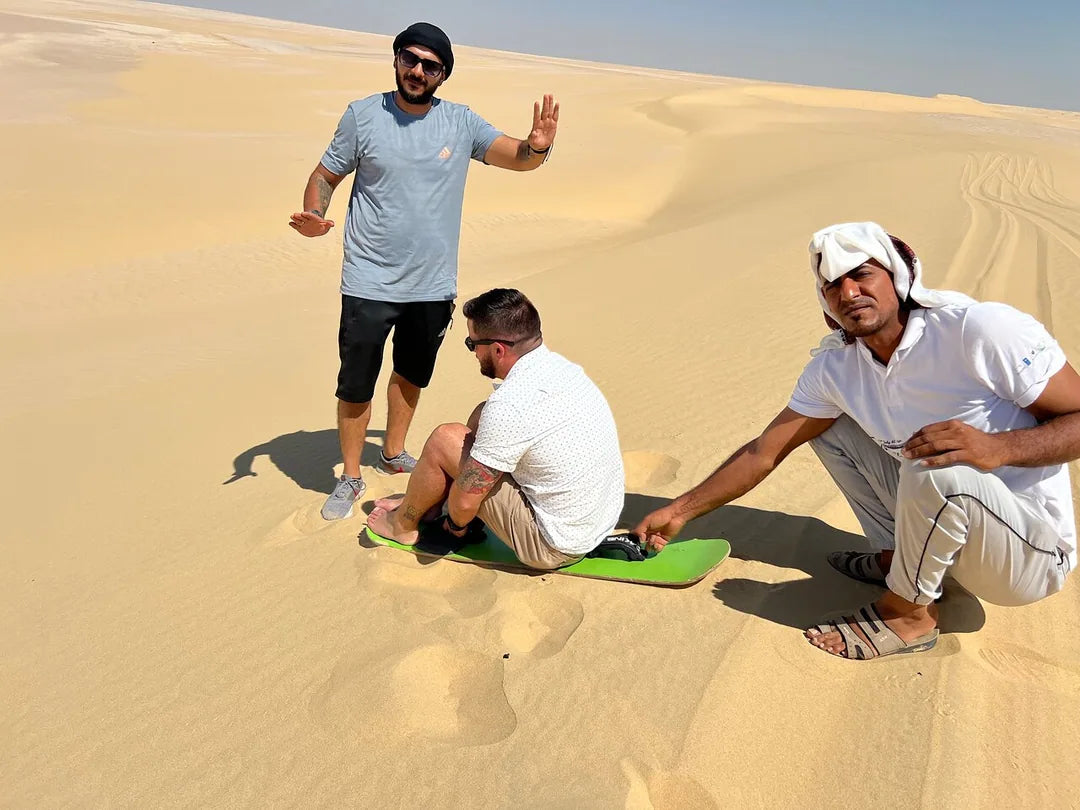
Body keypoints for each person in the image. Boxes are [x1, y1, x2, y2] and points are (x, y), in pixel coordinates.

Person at [633, 221, 1079, 660]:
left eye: (861, 274)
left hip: (1028, 557)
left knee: (938, 465)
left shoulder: (977, 330)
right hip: (944, 528)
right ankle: (898, 560)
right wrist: (679, 511)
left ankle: (909, 614)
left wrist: (999, 448)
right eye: (832, 285)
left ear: (898, 277)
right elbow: (764, 450)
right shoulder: (836, 369)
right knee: (830, 427)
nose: (848, 293)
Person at [289, 22, 561, 520]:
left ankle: (393, 453)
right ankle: (350, 475)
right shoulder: (363, 115)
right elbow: (325, 175)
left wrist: (537, 146)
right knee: (356, 381)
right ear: (396, 59)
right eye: (409, 59)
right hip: (369, 279)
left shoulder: (460, 122)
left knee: (411, 373)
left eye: (430, 65)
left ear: (443, 74)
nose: (417, 71)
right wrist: (314, 213)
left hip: (432, 285)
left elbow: (520, 159)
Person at [366, 288, 625, 570]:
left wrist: (456, 526)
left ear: (498, 350)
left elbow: (465, 504)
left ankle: (402, 525)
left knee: (444, 439)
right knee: (483, 413)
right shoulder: (564, 369)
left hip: (552, 545)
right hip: (595, 521)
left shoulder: (510, 405)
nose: (474, 353)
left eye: (472, 343)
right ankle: (426, 501)